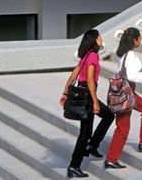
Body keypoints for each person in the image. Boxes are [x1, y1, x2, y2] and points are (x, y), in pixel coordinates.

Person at [59, 30, 114, 178]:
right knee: (85, 132)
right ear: (95, 40)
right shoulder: (93, 57)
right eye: (100, 37)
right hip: (88, 96)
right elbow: (90, 80)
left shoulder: (85, 56)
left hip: (82, 94)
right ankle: (74, 165)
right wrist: (95, 101)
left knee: (106, 116)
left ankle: (91, 146)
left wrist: (65, 93)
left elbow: (74, 74)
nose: (102, 39)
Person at [104, 27, 142, 169]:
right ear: (135, 40)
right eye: (139, 38)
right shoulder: (131, 55)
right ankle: (111, 158)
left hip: (123, 91)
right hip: (127, 93)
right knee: (124, 127)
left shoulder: (123, 55)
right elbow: (132, 76)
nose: (140, 40)